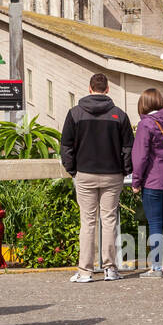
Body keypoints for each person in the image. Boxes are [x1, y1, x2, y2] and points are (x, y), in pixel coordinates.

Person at [61, 74, 135, 283]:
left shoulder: (75, 114)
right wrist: (125, 169)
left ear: (90, 89)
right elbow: (128, 147)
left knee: (88, 222)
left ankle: (85, 271)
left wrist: (72, 169)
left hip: (85, 173)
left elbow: (66, 146)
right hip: (113, 174)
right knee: (109, 220)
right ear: (108, 89)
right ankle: (110, 268)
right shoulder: (119, 115)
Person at [131, 88, 163, 278]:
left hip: (153, 180)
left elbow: (141, 156)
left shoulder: (146, 125)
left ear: (143, 104)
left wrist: (136, 181)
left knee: (154, 223)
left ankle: (156, 267)